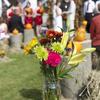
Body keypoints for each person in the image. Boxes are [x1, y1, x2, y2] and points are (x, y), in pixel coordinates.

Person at [90, 3, 100, 70]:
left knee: (95, 63)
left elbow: (92, 33)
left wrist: (93, 38)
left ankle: (94, 76)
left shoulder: (94, 19)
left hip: (96, 43)